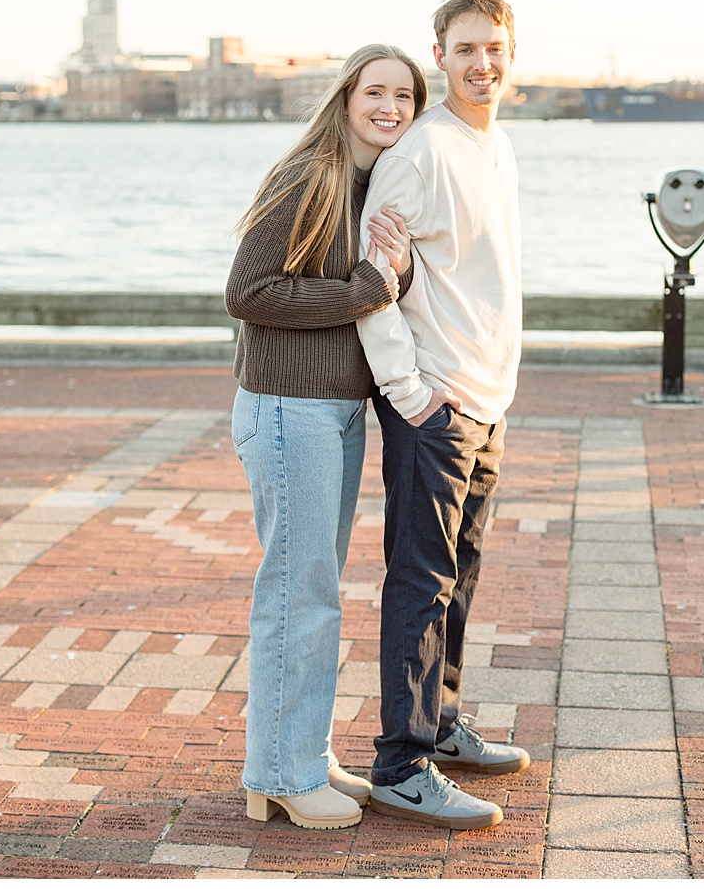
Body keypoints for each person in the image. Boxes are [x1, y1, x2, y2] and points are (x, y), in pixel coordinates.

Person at [226, 45, 425, 829]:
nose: (392, 107)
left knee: (313, 591)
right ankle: (278, 771)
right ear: (345, 99)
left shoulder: (368, 183)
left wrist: (388, 279)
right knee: (295, 594)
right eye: (376, 91)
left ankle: (298, 753)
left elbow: (370, 291)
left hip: (333, 410)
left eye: (405, 96)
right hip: (288, 410)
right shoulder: (311, 174)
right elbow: (249, 291)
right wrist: (368, 288)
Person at [355, 0, 530, 830]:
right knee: (421, 581)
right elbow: (371, 285)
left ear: (510, 55)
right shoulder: (420, 152)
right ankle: (401, 763)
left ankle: (442, 723)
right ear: (440, 56)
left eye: (493, 48)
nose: (481, 63)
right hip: (436, 408)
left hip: (485, 401)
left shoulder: (493, 146)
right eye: (465, 49)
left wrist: (494, 389)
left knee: (459, 574)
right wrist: (411, 394)